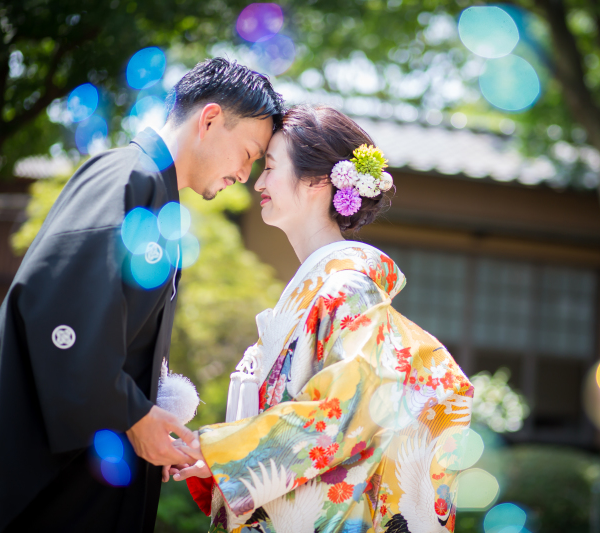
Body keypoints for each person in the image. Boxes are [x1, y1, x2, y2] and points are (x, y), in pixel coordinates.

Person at [0, 57, 283, 532]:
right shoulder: (131, 177)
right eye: (248, 153)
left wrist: (148, 412)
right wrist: (134, 413)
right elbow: (62, 316)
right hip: (50, 483)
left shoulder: (151, 188)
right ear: (209, 119)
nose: (245, 175)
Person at [169, 105, 474, 533]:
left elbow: (343, 411)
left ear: (316, 181)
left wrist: (226, 454)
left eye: (271, 167)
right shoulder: (323, 288)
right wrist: (217, 461)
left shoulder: (348, 288)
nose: (257, 181)